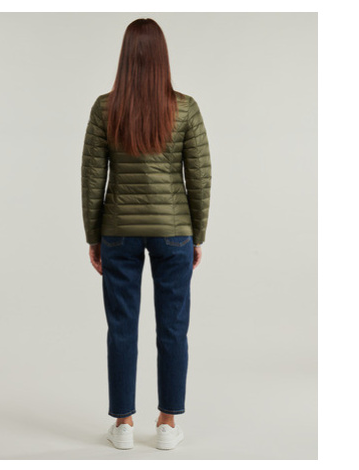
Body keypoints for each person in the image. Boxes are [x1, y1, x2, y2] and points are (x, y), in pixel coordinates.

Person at [81, 18, 212, 450]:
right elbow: (200, 177)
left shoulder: (105, 108)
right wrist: (196, 235)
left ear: (124, 57)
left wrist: (94, 236)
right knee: (173, 328)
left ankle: (123, 423)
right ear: (162, 58)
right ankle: (168, 424)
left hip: (119, 232)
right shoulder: (185, 108)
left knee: (121, 328)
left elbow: (92, 178)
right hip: (173, 233)